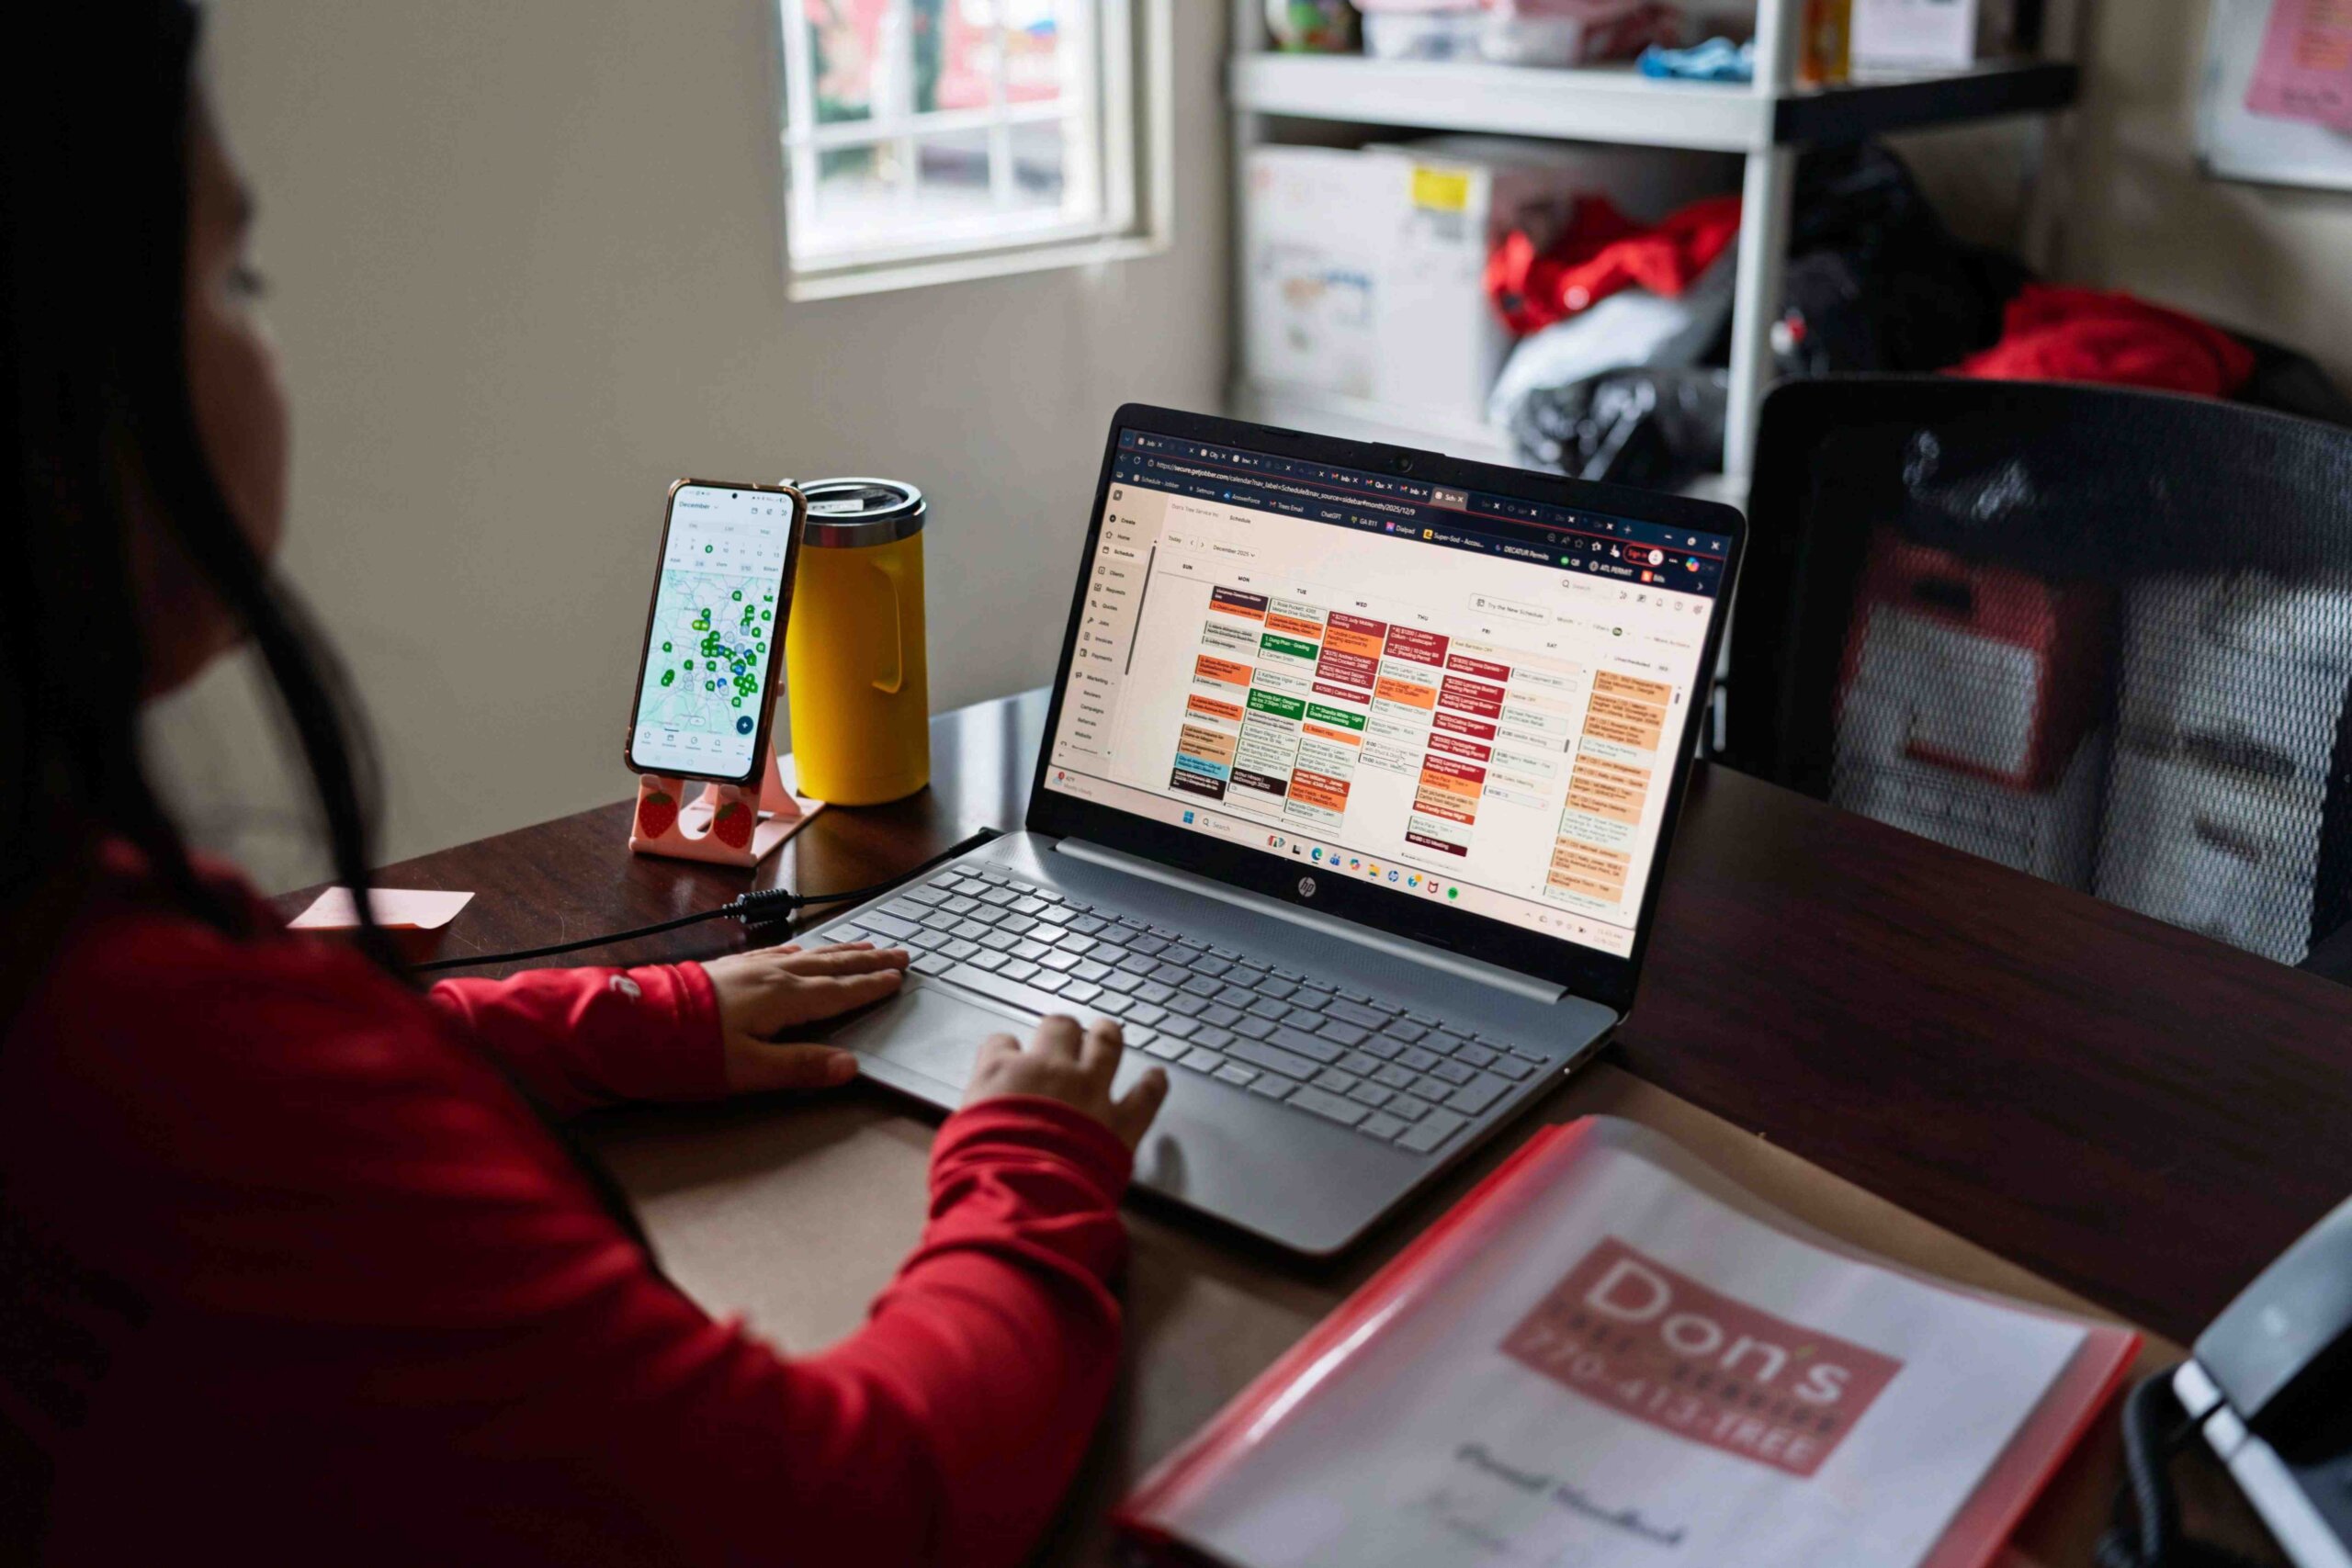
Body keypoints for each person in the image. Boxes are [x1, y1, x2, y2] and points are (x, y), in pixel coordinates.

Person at [0, 5, 1168, 1562]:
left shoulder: (77, 943)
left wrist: (621, 1018)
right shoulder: (164, 1063)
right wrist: (1035, 1161)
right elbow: (852, 1515)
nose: (265, 339)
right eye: (232, 279)